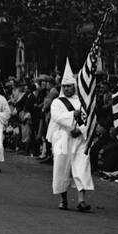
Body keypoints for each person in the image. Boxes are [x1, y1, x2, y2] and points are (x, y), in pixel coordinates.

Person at [48, 59, 93, 211]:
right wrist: (73, 114)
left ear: (74, 86)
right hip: (63, 139)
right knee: (62, 169)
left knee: (81, 167)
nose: (67, 89)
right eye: (65, 86)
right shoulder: (57, 102)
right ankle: (63, 198)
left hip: (79, 139)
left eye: (70, 86)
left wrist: (80, 129)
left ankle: (81, 200)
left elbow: (89, 119)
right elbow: (57, 117)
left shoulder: (82, 101)